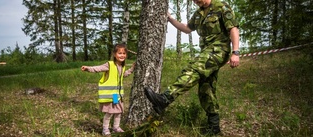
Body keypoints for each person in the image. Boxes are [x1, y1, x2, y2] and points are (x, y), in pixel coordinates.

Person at [144, 0, 240, 135]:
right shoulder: (198, 13)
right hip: (207, 51)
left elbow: (233, 28)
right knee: (206, 89)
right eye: (194, 0)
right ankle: (214, 127)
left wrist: (235, 52)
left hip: (219, 50)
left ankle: (165, 99)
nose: (196, 1)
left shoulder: (221, 6)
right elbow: (187, 29)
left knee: (194, 69)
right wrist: (170, 19)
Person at [81, 43, 135, 136]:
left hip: (118, 95)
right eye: (119, 53)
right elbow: (98, 68)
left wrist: (132, 69)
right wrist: (88, 68)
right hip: (112, 95)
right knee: (110, 112)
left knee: (118, 112)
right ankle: (105, 129)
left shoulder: (122, 66)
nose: (122, 55)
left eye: (124, 53)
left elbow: (123, 75)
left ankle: (116, 127)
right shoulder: (109, 65)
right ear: (114, 54)